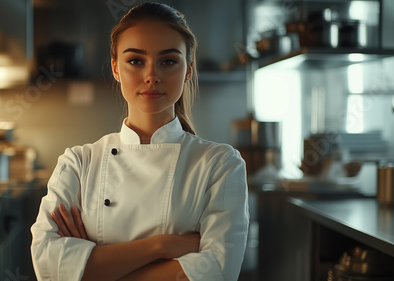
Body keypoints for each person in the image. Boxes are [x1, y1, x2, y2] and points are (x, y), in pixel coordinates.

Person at [30, 2, 249, 281]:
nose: (151, 76)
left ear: (189, 69)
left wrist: (91, 269)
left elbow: (218, 271)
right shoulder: (78, 163)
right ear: (115, 68)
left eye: (168, 61)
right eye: (135, 61)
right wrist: (163, 246)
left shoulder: (219, 164)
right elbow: (48, 266)